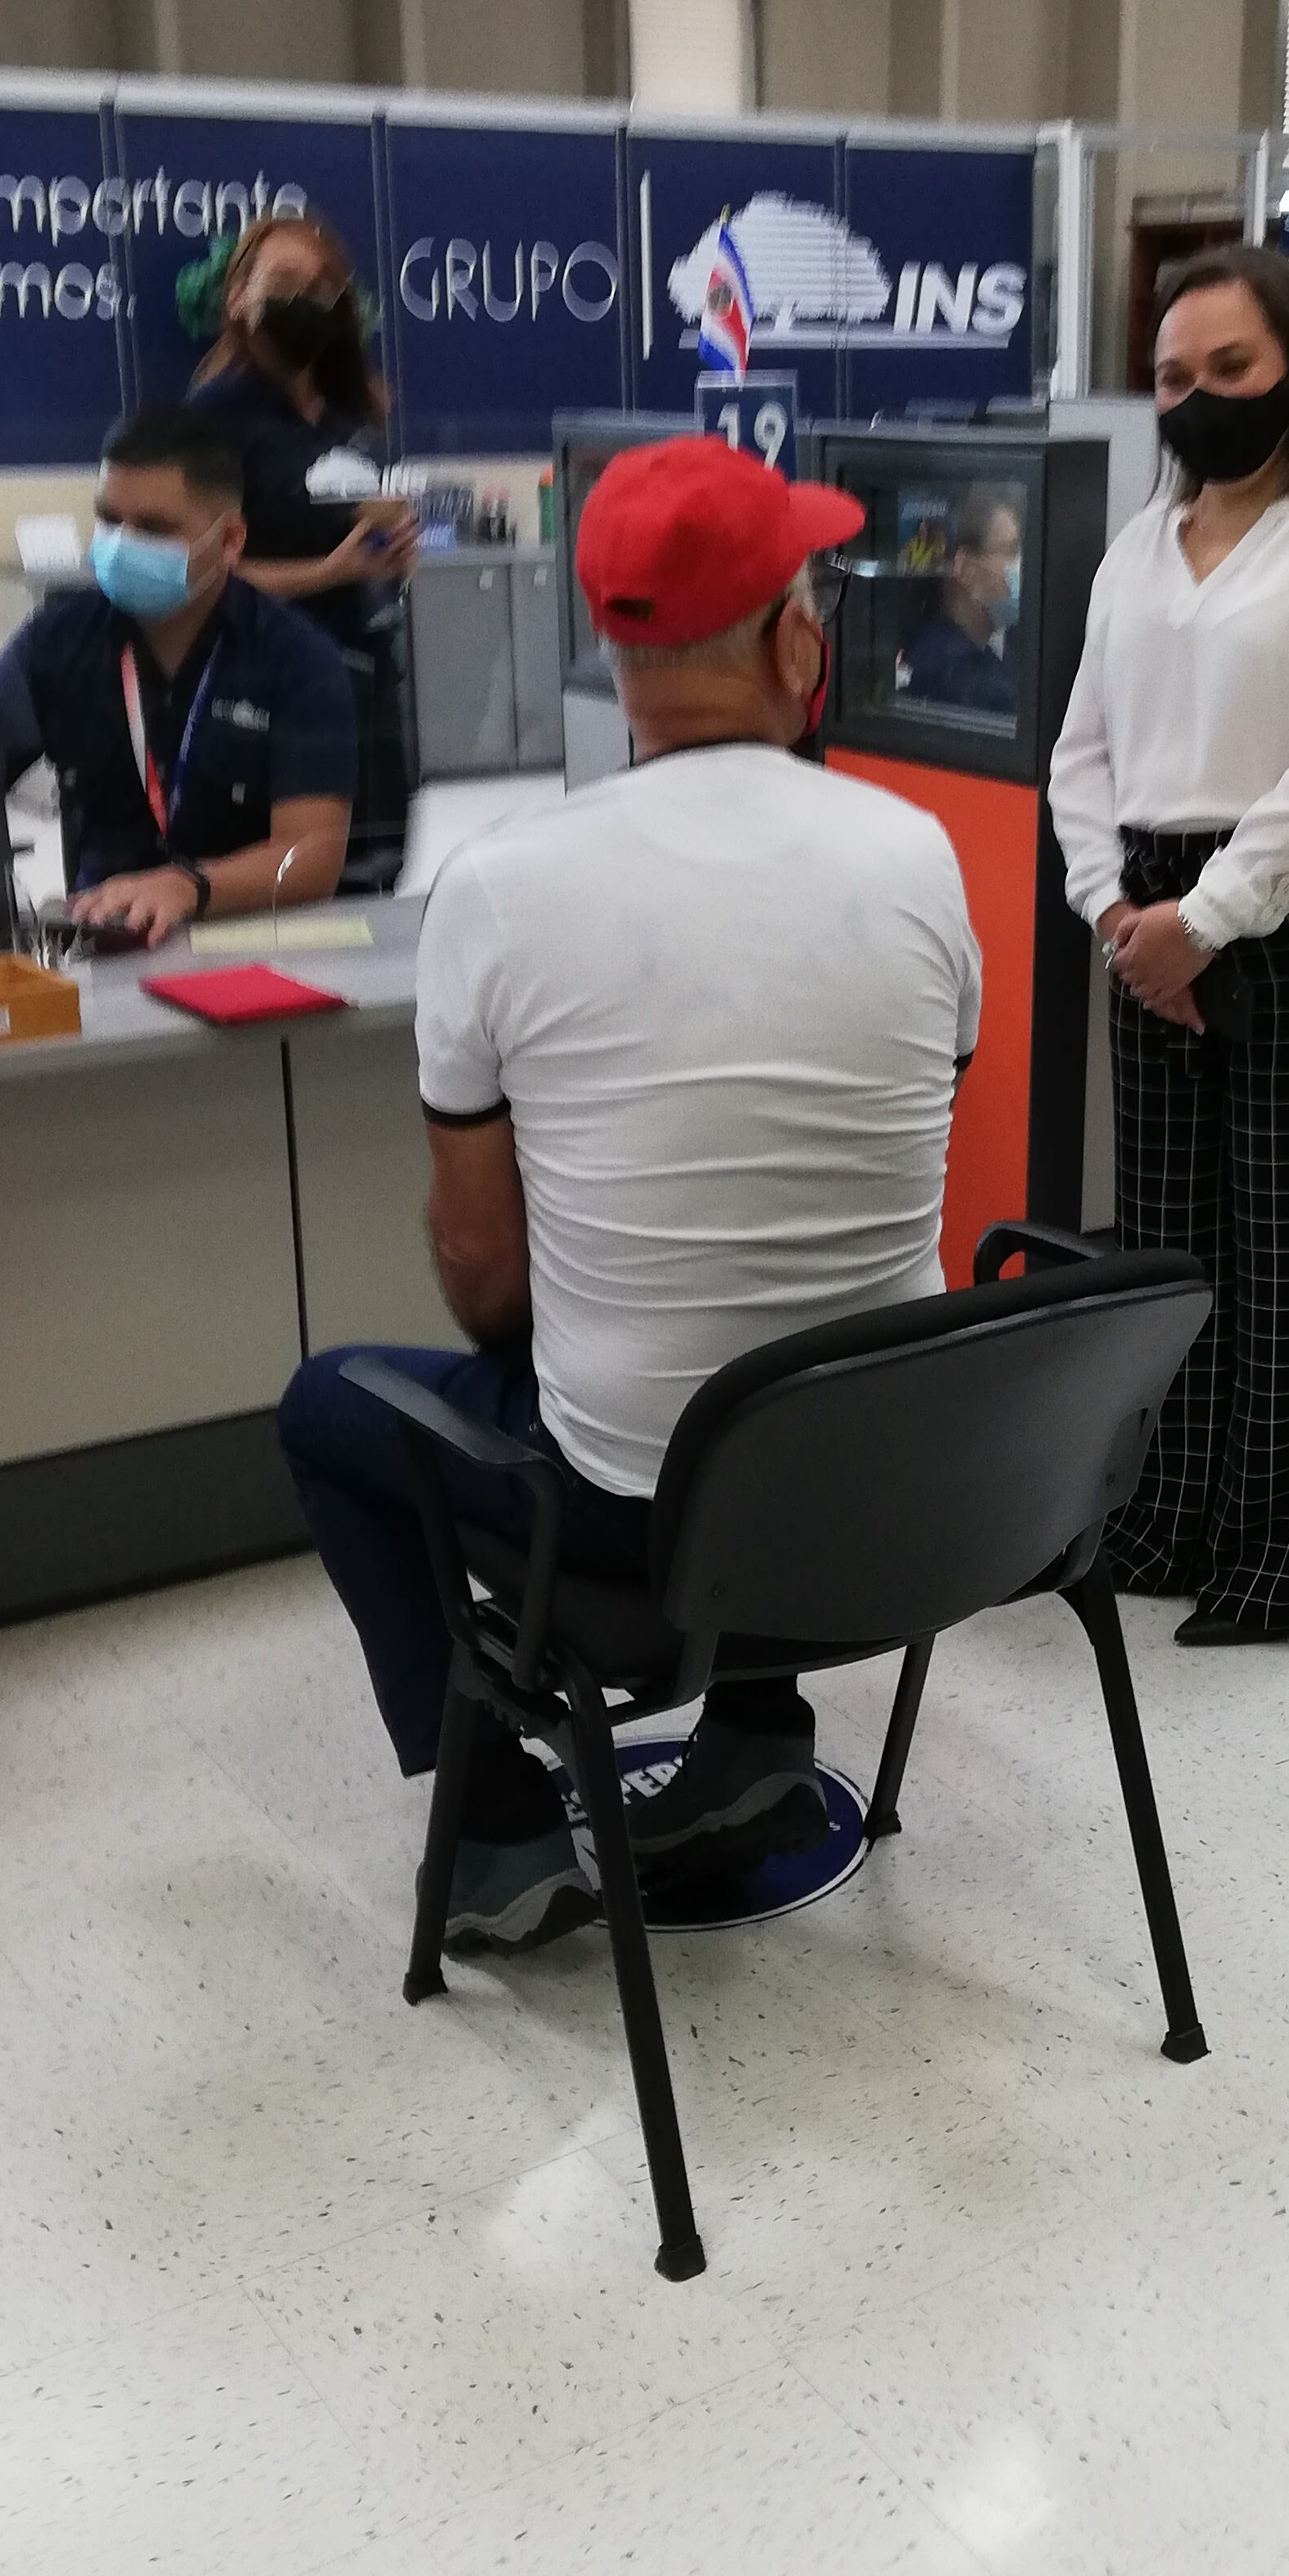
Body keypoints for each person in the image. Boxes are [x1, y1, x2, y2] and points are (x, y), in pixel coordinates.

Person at [278, 437, 982, 1955]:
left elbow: (476, 1277)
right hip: (919, 1498)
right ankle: (746, 1749)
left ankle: (499, 1828)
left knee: (333, 1405)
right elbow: (895, 1147)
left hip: (638, 1537)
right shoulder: (919, 854)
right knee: (787, 1333)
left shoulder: (504, 889)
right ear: (801, 638)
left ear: (611, 649)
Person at [1047, 243, 1289, 1647]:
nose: (1199, 395)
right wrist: (1114, 909)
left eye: (1231, 368)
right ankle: (1172, 1518)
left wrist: (1205, 921)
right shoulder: (1134, 550)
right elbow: (1081, 755)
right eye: (1172, 375)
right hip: (1147, 917)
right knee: (1174, 1250)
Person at [0, 406, 356, 945]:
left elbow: (311, 858)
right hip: (108, 939)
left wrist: (188, 888)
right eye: (109, 521)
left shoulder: (297, 659)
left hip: (256, 941)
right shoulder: (56, 642)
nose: (120, 544)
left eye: (153, 529)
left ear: (228, 541)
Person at [186, 214, 420, 893]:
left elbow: (353, 531)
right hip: (266, 695)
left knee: (373, 876)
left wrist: (391, 555)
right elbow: (200, 577)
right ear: (239, 296)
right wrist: (329, 573)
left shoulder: (353, 413)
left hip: (367, 684)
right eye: (283, 283)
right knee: (293, 887)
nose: (304, 303)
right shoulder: (211, 421)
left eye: (322, 289)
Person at [894, 484, 1022, 719]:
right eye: (1009, 550)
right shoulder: (955, 675)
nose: (1018, 565)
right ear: (966, 567)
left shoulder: (977, 658)